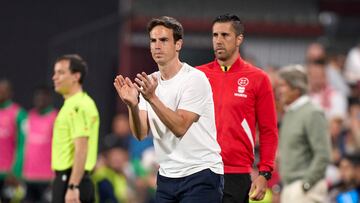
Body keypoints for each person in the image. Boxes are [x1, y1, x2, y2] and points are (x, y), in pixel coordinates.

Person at [114, 16, 224, 203]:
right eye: (153, 41)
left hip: (201, 173)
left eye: (164, 40)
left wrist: (152, 98)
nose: (157, 46)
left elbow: (180, 126)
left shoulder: (194, 79)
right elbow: (140, 133)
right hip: (166, 176)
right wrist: (132, 105)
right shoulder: (149, 82)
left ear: (178, 44)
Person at [197, 14, 278, 202]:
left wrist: (265, 173)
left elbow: (268, 130)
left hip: (236, 173)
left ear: (239, 39)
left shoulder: (258, 78)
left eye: (225, 35)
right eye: (215, 35)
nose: (218, 41)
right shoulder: (197, 75)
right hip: (199, 170)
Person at [277, 64, 331, 203]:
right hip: (290, 187)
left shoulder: (312, 113)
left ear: (296, 88)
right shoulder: (290, 112)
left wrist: (306, 184)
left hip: (304, 188)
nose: (279, 90)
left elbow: (323, 154)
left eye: (283, 85)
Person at [51, 54, 100, 203]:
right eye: (55, 72)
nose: (55, 77)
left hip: (71, 180)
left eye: (61, 72)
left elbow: (81, 148)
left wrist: (73, 186)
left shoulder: (78, 106)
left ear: (76, 76)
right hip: (72, 179)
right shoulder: (74, 104)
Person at [23, 85, 57, 203]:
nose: (39, 101)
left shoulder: (55, 118)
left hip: (47, 178)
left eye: (43, 98)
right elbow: (22, 145)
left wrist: (56, 175)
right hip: (28, 176)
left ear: (49, 99)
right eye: (37, 98)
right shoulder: (28, 117)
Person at [0, 79, 27, 203]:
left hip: (9, 175)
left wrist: (16, 170)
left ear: (9, 93)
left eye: (2, 90)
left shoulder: (19, 114)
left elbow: (23, 144)